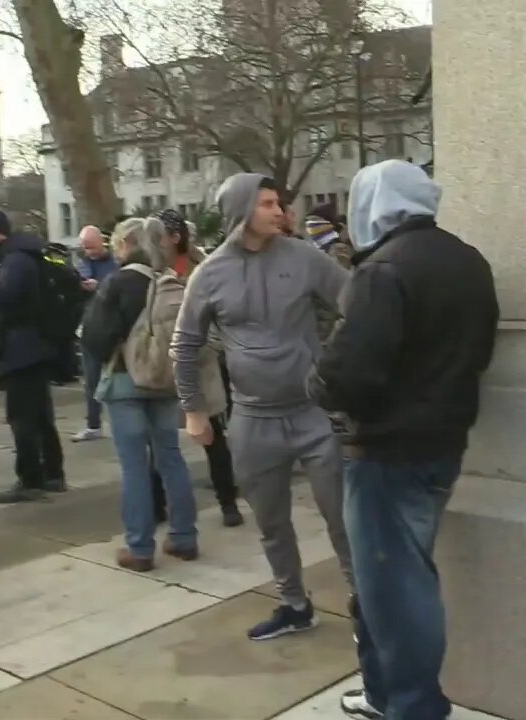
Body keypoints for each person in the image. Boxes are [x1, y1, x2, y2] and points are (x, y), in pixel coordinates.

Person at [308, 160, 499, 720]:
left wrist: (314, 382)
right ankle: (384, 695)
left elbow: (345, 373)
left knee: (395, 592)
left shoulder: (383, 272)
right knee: (385, 585)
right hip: (443, 443)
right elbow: (478, 353)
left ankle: (413, 707)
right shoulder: (468, 261)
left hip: (387, 452)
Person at [171, 173, 354, 641]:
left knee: (342, 517)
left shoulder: (306, 258)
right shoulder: (209, 274)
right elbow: (184, 344)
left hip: (314, 413)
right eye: (268, 203)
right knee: (271, 522)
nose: (280, 211)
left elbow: (357, 303)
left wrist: (334, 360)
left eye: (280, 203)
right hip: (253, 418)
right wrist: (193, 409)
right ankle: (294, 603)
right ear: (242, 211)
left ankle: (364, 603)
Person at [81, 217, 199, 571]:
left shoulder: (117, 282)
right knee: (171, 457)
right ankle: (184, 537)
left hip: (125, 382)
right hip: (164, 380)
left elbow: (94, 337)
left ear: (126, 245)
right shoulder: (169, 281)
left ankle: (140, 547)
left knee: (134, 466)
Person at [150, 207, 242, 528]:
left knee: (213, 438)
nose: (154, 242)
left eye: (159, 236)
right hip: (162, 371)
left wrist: (211, 346)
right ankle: (156, 506)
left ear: (175, 237)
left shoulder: (203, 269)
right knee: (158, 442)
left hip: (201, 367)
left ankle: (228, 501)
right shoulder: (149, 270)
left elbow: (222, 315)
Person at [0, 210, 67, 503]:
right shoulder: (20, 255)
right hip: (32, 346)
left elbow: (3, 296)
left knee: (22, 417)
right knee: (40, 415)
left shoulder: (17, 259)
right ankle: (52, 474)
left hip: (23, 350)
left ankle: (31, 478)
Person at [72, 225, 119, 442]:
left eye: (91, 247)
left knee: (117, 377)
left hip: (111, 327)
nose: (88, 251)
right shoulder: (81, 262)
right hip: (89, 327)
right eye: (85, 247)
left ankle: (120, 420)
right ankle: (93, 424)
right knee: (91, 379)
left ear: (102, 241)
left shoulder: (115, 262)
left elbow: (119, 289)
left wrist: (99, 286)